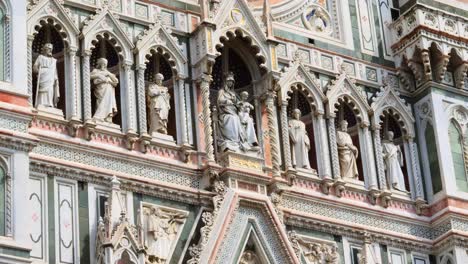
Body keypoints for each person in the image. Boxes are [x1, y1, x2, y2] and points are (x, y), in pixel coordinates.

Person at [217, 72, 243, 152]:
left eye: (232, 81)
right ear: (226, 82)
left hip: (234, 112)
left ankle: (236, 142)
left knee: (236, 119)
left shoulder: (234, 93)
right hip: (225, 113)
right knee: (231, 119)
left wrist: (239, 105)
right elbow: (219, 100)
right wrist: (227, 101)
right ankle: (229, 141)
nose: (230, 83)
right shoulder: (221, 91)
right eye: (229, 81)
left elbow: (238, 103)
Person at [90, 58, 118, 123]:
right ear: (99, 64)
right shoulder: (96, 70)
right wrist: (99, 75)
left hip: (109, 90)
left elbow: (116, 81)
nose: (104, 65)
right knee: (100, 101)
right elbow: (89, 76)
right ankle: (99, 117)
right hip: (100, 89)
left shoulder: (108, 72)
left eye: (105, 64)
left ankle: (107, 118)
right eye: (103, 63)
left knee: (108, 102)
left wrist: (108, 75)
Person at [33, 43, 60, 108]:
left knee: (50, 89)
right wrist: (38, 71)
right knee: (42, 90)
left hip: (50, 77)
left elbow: (55, 70)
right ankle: (41, 103)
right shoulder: (40, 57)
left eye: (51, 49)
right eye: (49, 49)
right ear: (45, 49)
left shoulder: (53, 60)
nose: (50, 50)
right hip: (42, 75)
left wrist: (56, 78)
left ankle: (49, 103)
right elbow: (35, 67)